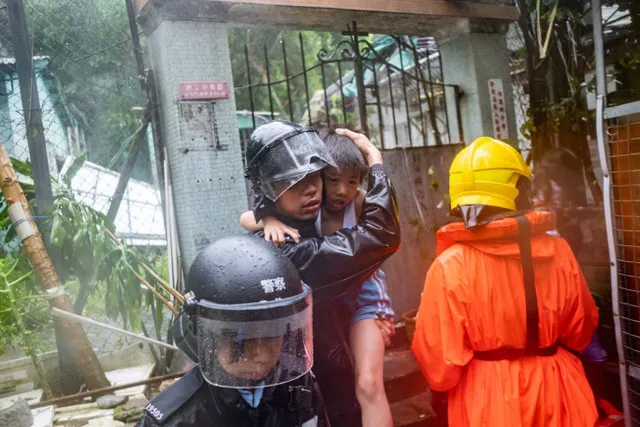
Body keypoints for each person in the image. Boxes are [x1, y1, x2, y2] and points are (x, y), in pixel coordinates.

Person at [412, 137, 599, 426]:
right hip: (558, 391)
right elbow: (581, 331)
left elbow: (440, 368)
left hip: (488, 403)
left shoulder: (449, 266)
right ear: (518, 188)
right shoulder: (559, 251)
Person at [242, 120, 401, 427]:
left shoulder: (314, 216)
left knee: (367, 386)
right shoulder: (284, 245)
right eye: (294, 181)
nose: (312, 188)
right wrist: (267, 221)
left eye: (314, 176)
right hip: (302, 383)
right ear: (269, 190)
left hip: (354, 323)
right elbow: (381, 235)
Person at [137, 235, 328, 427]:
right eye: (241, 341)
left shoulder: (298, 387)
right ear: (204, 337)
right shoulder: (177, 419)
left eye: (272, 334)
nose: (261, 355)